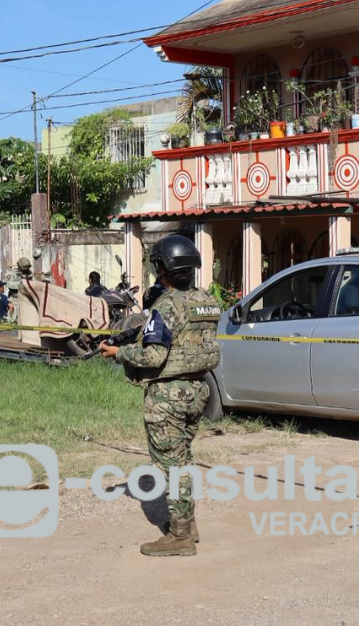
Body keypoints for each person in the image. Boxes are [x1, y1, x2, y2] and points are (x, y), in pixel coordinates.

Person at [99, 235, 221, 557]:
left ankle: (179, 536)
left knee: (171, 466)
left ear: (163, 269)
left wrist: (119, 353)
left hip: (168, 397)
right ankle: (188, 525)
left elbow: (153, 357)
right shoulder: (207, 301)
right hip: (198, 392)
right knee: (184, 460)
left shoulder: (165, 306)